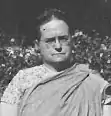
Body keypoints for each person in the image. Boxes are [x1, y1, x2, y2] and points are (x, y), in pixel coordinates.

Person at [0, 8, 111, 116]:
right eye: (50, 40)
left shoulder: (93, 82)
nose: (58, 46)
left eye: (63, 39)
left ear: (72, 41)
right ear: (37, 45)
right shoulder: (23, 80)